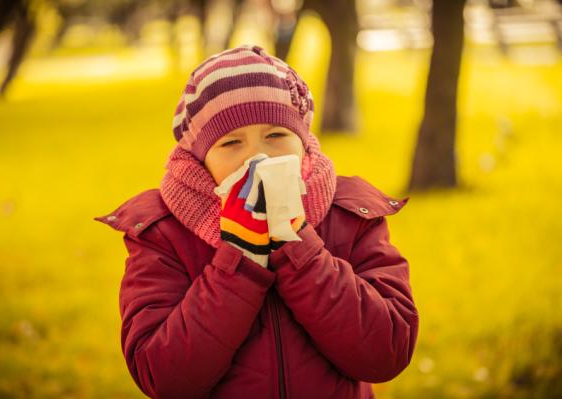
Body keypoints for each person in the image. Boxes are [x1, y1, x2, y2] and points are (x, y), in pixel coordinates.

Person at [94, 44, 419, 399]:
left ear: (304, 144)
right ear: (199, 162)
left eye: (276, 135)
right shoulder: (163, 233)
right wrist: (240, 258)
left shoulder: (351, 215)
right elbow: (162, 377)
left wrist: (299, 247)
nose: (257, 155)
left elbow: (388, 351)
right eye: (231, 142)